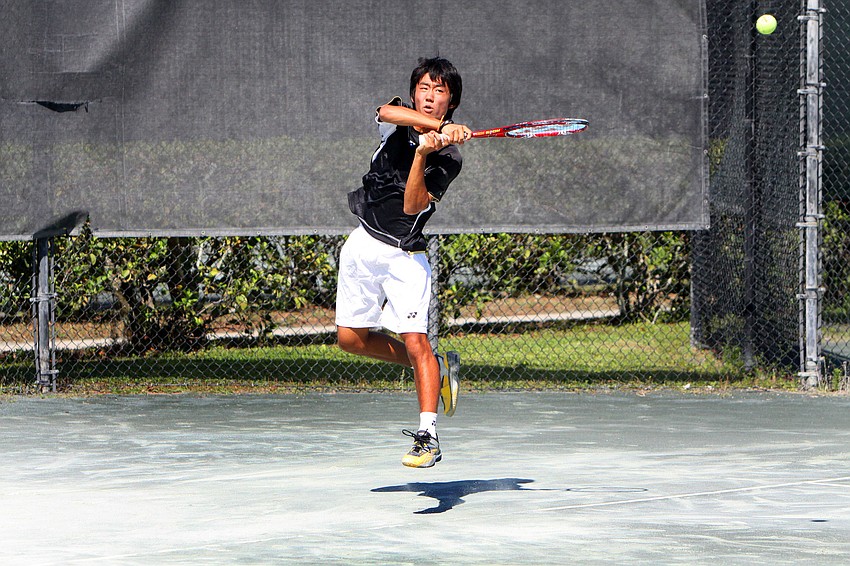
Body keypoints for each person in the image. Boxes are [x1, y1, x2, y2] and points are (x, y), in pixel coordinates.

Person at [336, 57, 472, 468]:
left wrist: (424, 155)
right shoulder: (397, 121)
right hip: (362, 243)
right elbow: (384, 111)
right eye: (424, 89)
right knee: (350, 340)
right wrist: (436, 129)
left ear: (451, 101)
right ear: (415, 93)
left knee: (416, 341)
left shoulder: (449, 160)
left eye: (440, 92)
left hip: (404, 257)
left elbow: (413, 206)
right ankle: (434, 366)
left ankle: (428, 436)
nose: (430, 98)